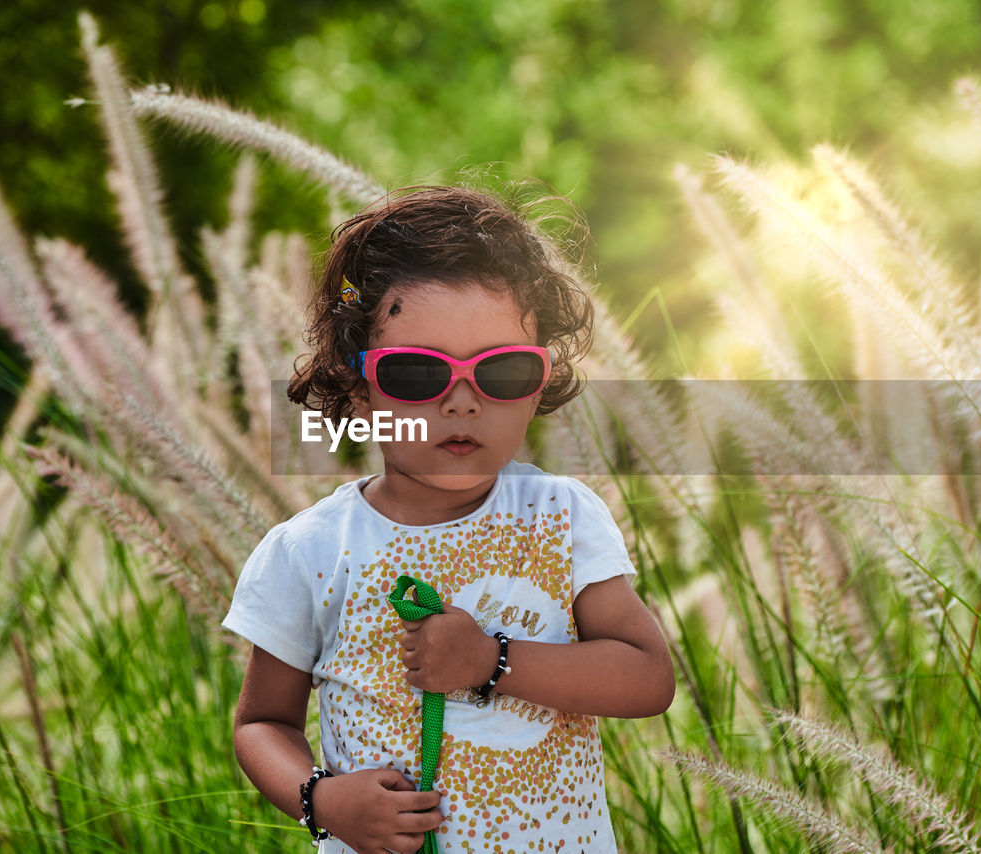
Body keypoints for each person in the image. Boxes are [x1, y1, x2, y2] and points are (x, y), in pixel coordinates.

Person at [223, 185, 675, 854]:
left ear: (540, 386)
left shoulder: (561, 516)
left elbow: (647, 676)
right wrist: (322, 800)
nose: (462, 402)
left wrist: (491, 660)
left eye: (503, 371)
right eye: (416, 374)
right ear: (359, 391)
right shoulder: (309, 552)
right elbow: (261, 722)